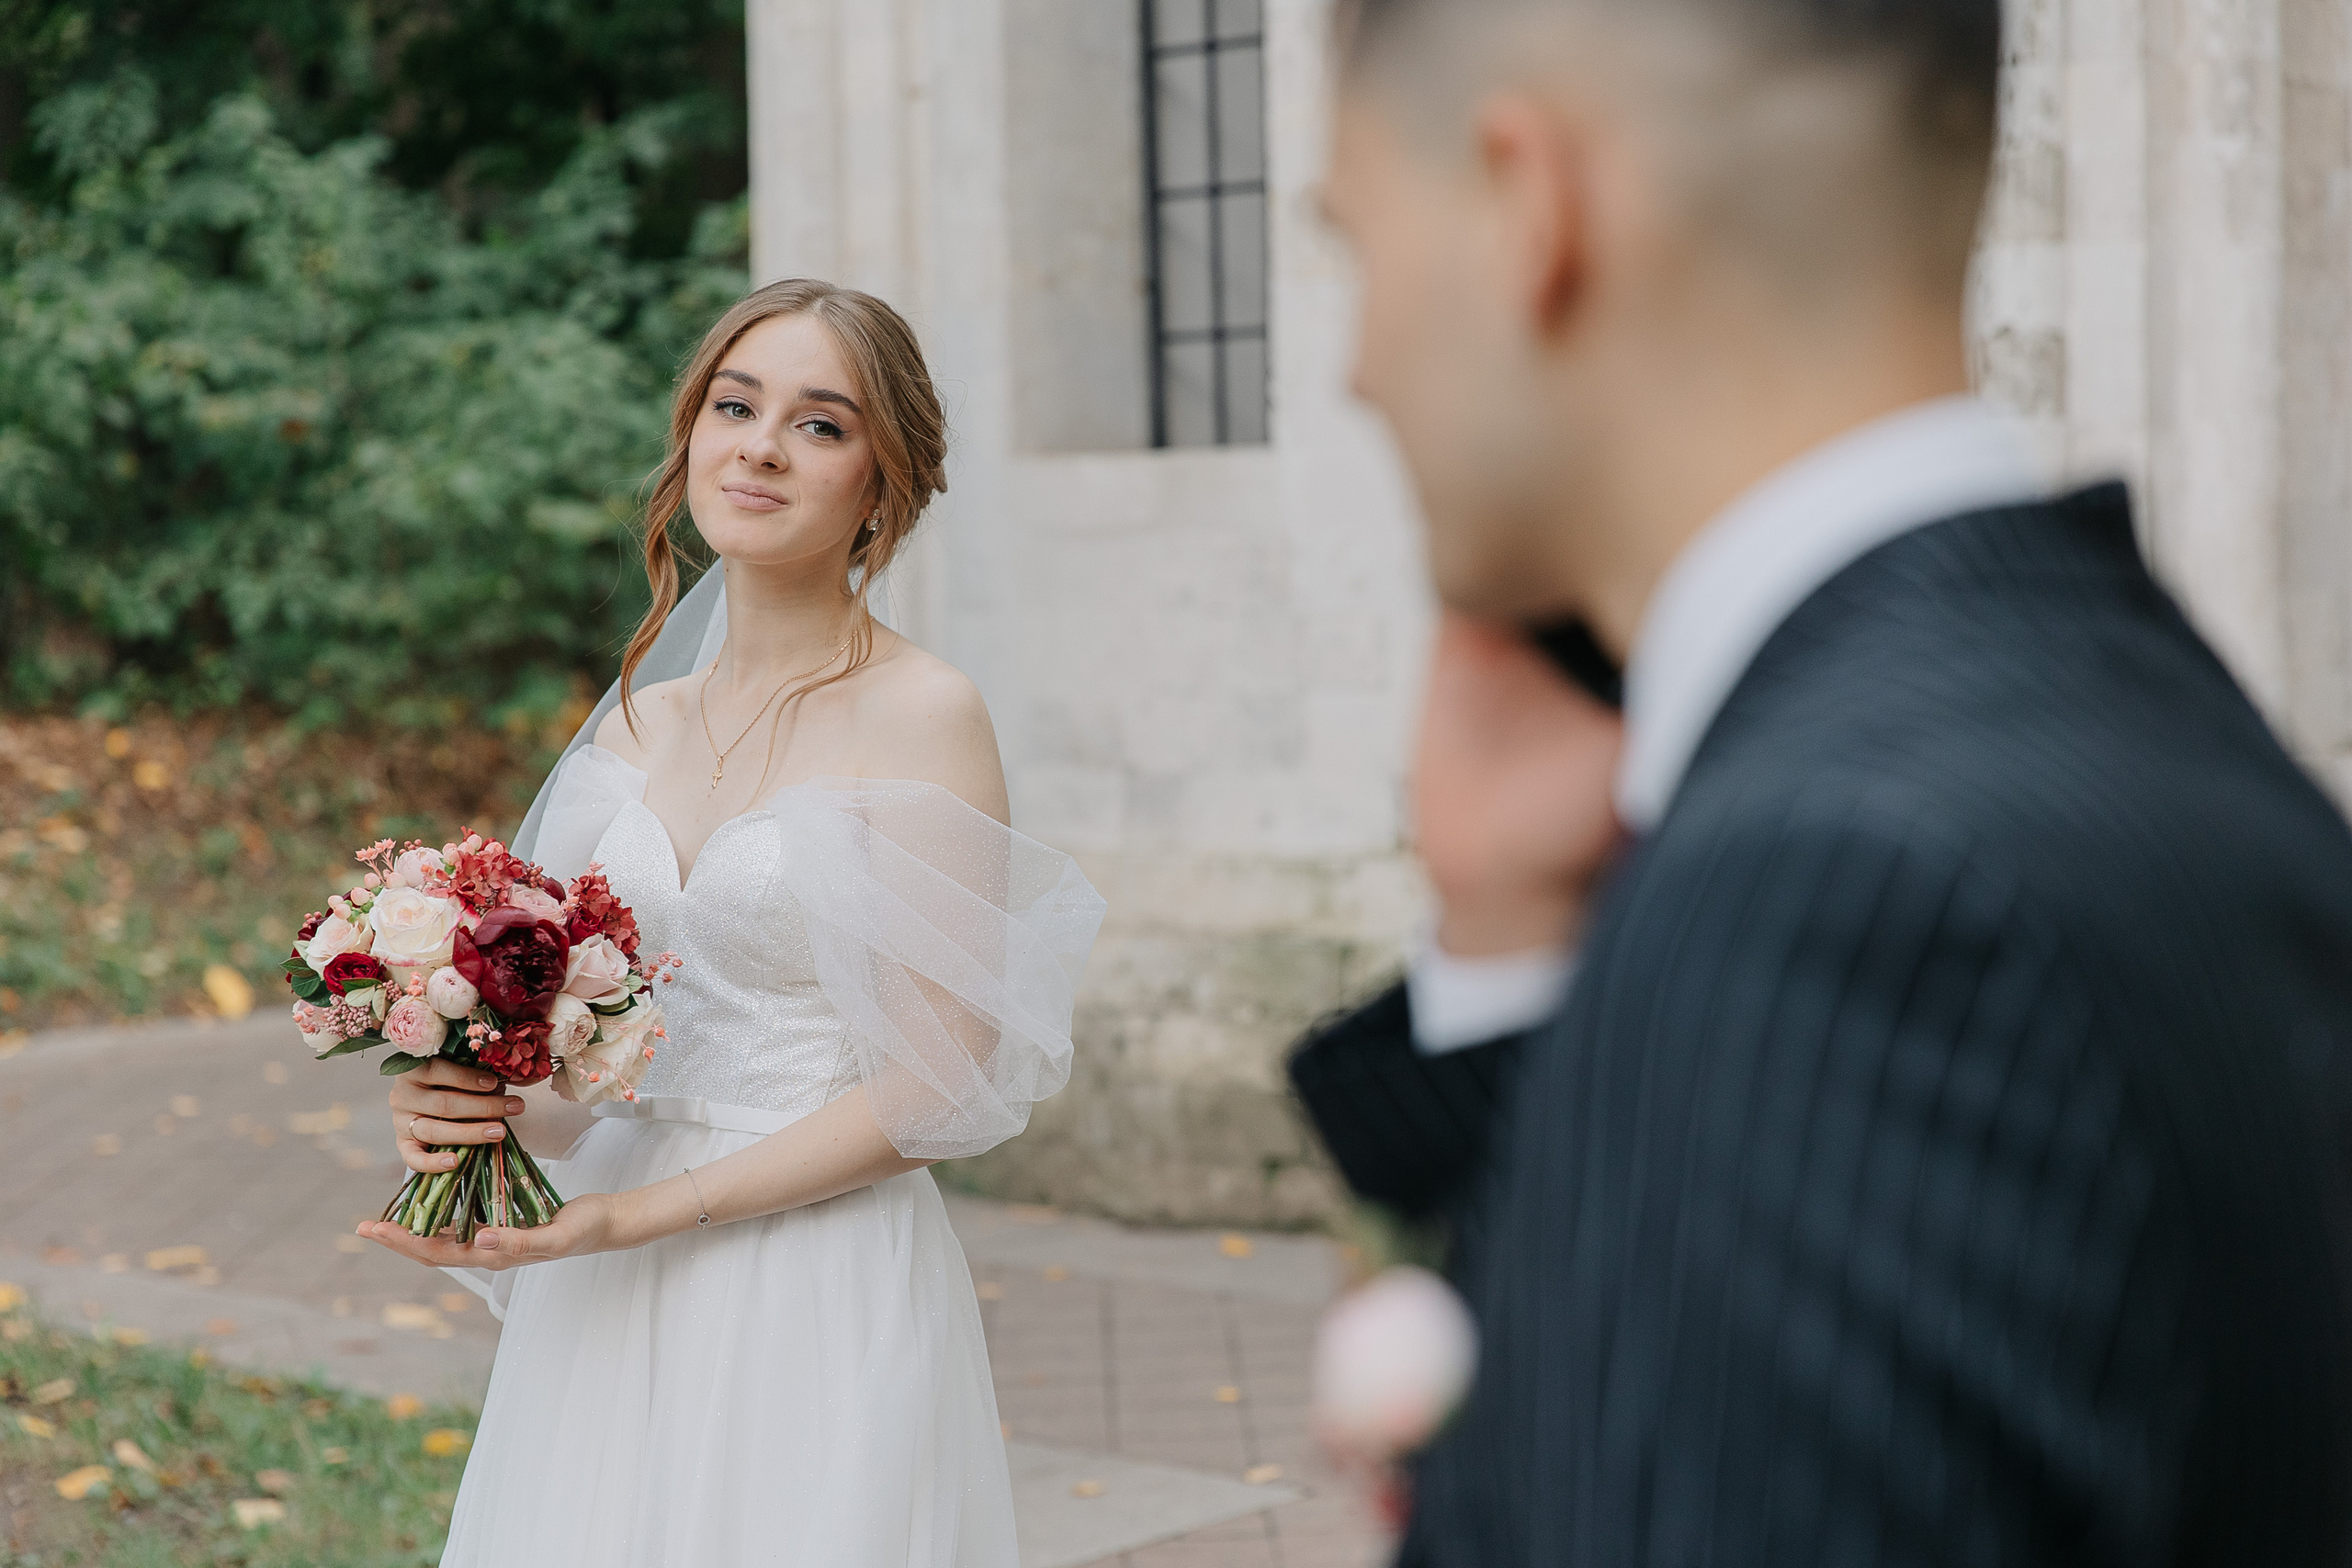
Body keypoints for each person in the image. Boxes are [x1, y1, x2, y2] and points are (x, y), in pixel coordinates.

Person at [1290, 0, 2352, 1563]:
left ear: (1533, 205)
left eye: (1354, 243)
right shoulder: (2137, 738)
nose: (1358, 368)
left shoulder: (1837, 901)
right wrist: (1517, 943)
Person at [356, 278, 1106, 1566]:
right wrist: (464, 1103)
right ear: (692, 434)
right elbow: (592, 1082)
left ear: (885, 482)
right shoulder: (640, 722)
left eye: (821, 424)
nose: (760, 444)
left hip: (813, 1277)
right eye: (734, 405)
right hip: (609, 1277)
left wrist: (636, 1217)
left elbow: (936, 1089)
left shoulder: (923, 715)